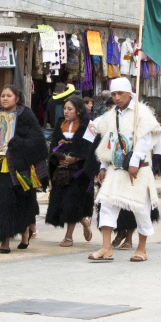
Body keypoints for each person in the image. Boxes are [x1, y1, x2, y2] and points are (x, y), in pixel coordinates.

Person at [87, 77, 161, 262]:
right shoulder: (112, 114)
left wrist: (135, 161)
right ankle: (106, 248)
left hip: (137, 169)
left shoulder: (141, 113)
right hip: (115, 168)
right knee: (107, 205)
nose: (117, 97)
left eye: (120, 93)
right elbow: (107, 140)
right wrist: (103, 166)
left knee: (141, 209)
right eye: (114, 94)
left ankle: (142, 248)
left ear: (129, 93)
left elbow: (144, 138)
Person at [0, 84, 48, 253]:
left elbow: (37, 141)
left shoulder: (26, 115)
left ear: (17, 98)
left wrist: (17, 144)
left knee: (18, 203)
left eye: (8, 95)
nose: (5, 98)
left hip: (18, 169)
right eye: (2, 95)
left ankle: (24, 234)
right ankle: (4, 240)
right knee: (0, 204)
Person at [45, 96, 93, 247]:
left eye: (69, 109)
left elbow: (89, 148)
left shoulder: (88, 126)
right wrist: (58, 157)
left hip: (79, 172)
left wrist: (76, 158)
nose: (66, 111)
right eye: (65, 108)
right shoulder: (60, 124)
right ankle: (85, 222)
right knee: (63, 201)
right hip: (61, 171)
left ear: (78, 111)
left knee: (72, 201)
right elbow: (53, 144)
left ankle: (68, 236)